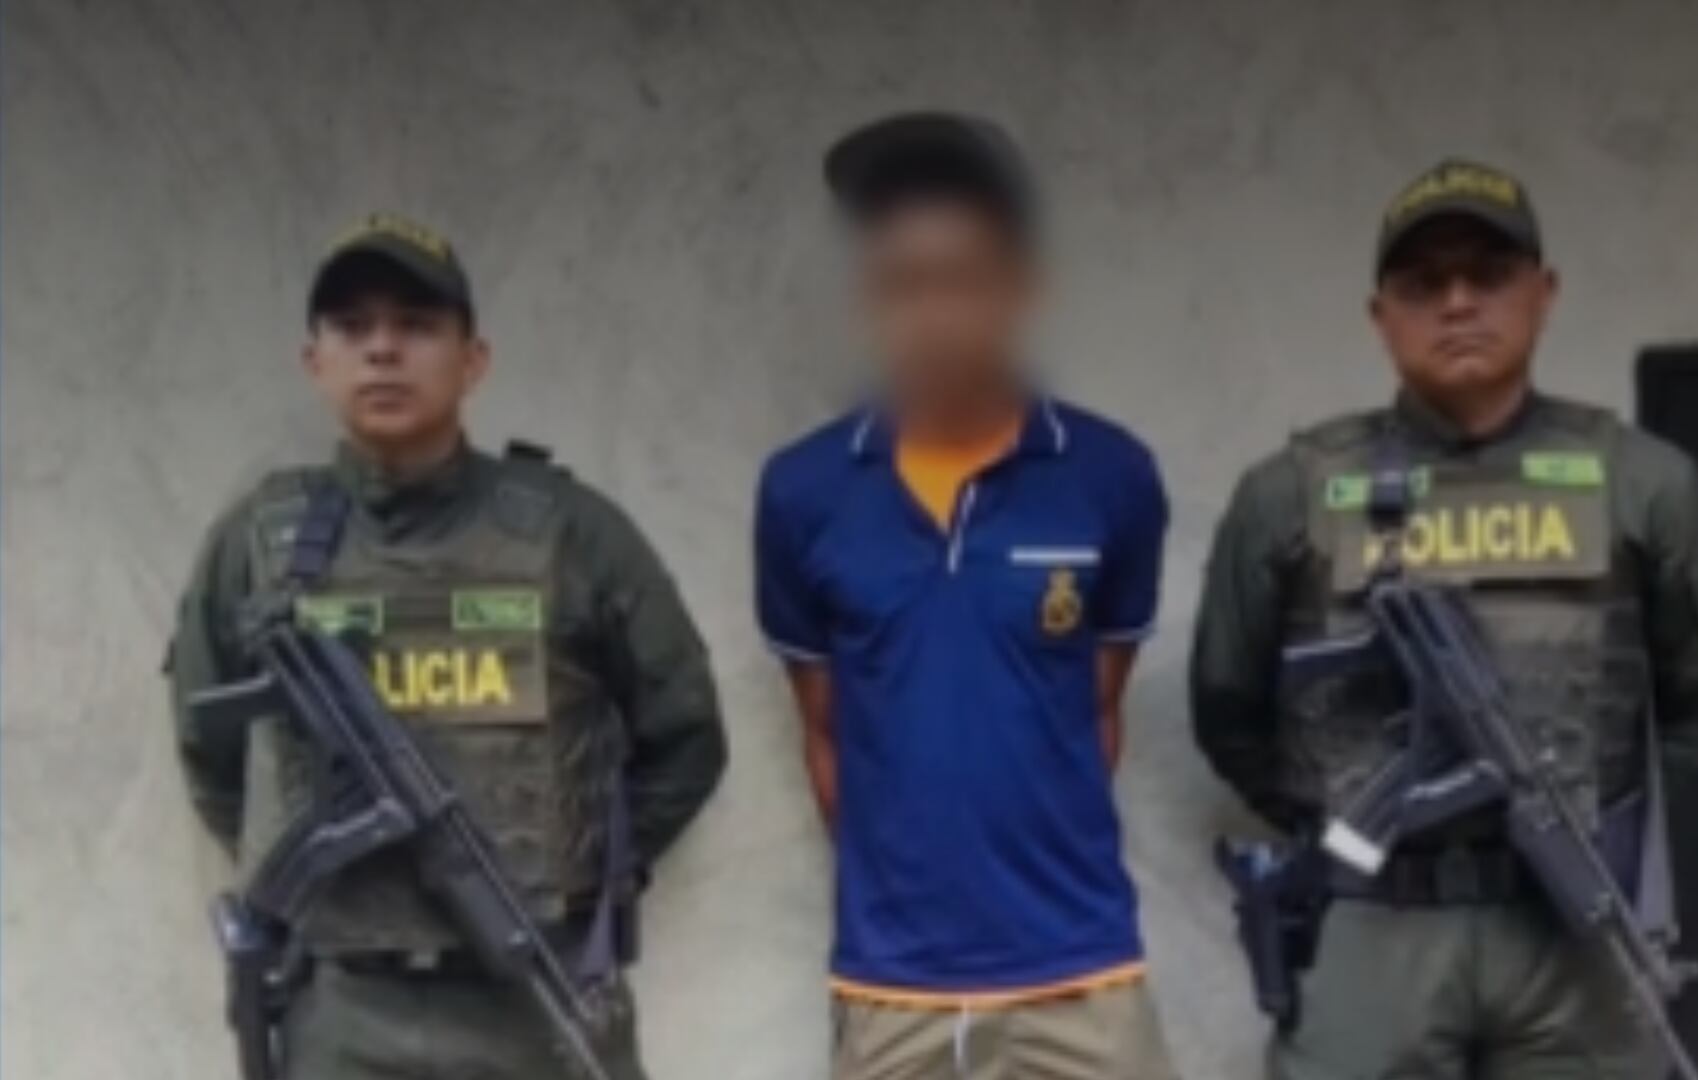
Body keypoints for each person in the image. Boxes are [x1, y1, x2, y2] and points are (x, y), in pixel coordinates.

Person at [1191, 160, 1698, 1079]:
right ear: (1381, 316)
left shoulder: (1644, 483)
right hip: (1377, 918)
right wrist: (1357, 823)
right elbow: (1229, 703)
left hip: (1571, 919)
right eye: (1423, 283)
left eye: (1488, 275)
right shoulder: (1290, 494)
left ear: (1544, 294)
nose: (1457, 303)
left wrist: (1576, 817)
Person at [165, 213, 727, 1080]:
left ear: (474, 360)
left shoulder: (574, 534)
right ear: (314, 362)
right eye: (353, 327)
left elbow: (684, 739)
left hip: (534, 997)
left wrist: (569, 866)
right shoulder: (257, 542)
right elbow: (211, 751)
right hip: (342, 1010)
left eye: (417, 325)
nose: (383, 349)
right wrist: (313, 870)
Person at [755, 112, 1180, 1080]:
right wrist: (920, 901)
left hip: (1083, 978)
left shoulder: (1109, 475)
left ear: (1018, 290)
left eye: (962, 279)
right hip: (891, 990)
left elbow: (1096, 711)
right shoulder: (803, 491)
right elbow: (826, 733)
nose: (934, 312)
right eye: (904, 283)